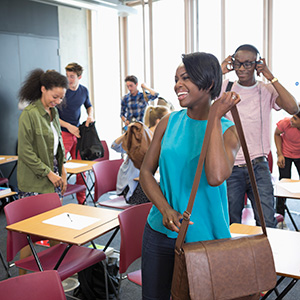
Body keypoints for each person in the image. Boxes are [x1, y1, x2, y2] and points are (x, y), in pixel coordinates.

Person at [139, 52, 240, 300]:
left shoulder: (228, 132)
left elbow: (216, 176)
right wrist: (164, 209)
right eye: (176, 79)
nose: (177, 85)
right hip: (161, 231)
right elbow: (145, 173)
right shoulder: (168, 122)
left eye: (185, 78)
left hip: (206, 237)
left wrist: (215, 117)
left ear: (209, 84)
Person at [221, 44, 298, 228]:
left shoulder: (266, 89)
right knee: (232, 223)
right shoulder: (226, 86)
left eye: (247, 64)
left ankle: (267, 256)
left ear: (257, 65)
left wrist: (271, 77)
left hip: (259, 165)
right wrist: (219, 71)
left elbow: (293, 107)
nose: (241, 69)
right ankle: (234, 257)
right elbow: (203, 100)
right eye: (237, 63)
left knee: (267, 221)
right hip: (231, 167)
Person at [17, 68, 68, 274]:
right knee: (30, 235)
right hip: (34, 182)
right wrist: (49, 172)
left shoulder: (53, 113)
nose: (57, 101)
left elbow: (59, 145)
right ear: (43, 89)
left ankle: (55, 274)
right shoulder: (29, 114)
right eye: (54, 96)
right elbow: (26, 152)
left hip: (53, 178)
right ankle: (21, 278)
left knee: (56, 228)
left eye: (61, 98)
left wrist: (63, 171)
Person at [112, 105, 169, 205]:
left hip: (143, 183)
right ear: (159, 121)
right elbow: (115, 146)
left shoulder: (161, 137)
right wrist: (128, 134)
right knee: (163, 197)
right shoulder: (141, 137)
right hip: (133, 189)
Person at [57, 62, 94, 204]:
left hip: (78, 133)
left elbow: (89, 106)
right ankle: (56, 200)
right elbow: (53, 116)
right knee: (58, 167)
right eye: (67, 76)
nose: (68, 79)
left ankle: (82, 201)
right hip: (63, 133)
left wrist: (90, 115)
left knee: (81, 168)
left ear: (80, 77)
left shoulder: (84, 91)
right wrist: (69, 126)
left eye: (72, 76)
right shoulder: (61, 92)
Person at [274, 106, 300, 219]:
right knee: (283, 184)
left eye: (295, 118)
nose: (291, 120)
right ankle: (280, 216)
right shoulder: (286, 123)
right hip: (286, 154)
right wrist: (280, 154)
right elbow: (277, 134)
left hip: (299, 155)